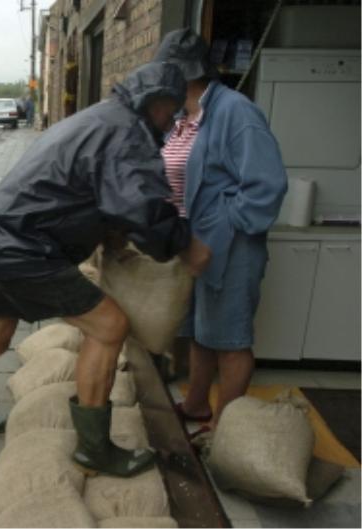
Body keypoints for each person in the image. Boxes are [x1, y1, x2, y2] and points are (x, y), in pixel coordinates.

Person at [0, 62, 211, 477]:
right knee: (108, 326)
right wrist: (183, 244)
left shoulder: (100, 117)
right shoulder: (127, 131)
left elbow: (99, 192)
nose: (172, 120)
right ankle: (94, 449)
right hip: (24, 248)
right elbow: (140, 205)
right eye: (172, 110)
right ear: (157, 101)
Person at [155, 29, 288, 436]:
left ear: (185, 73)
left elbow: (266, 184)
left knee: (230, 339)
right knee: (201, 330)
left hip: (230, 246)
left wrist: (227, 226)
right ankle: (196, 406)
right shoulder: (183, 116)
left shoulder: (235, 112)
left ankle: (225, 428)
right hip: (193, 243)